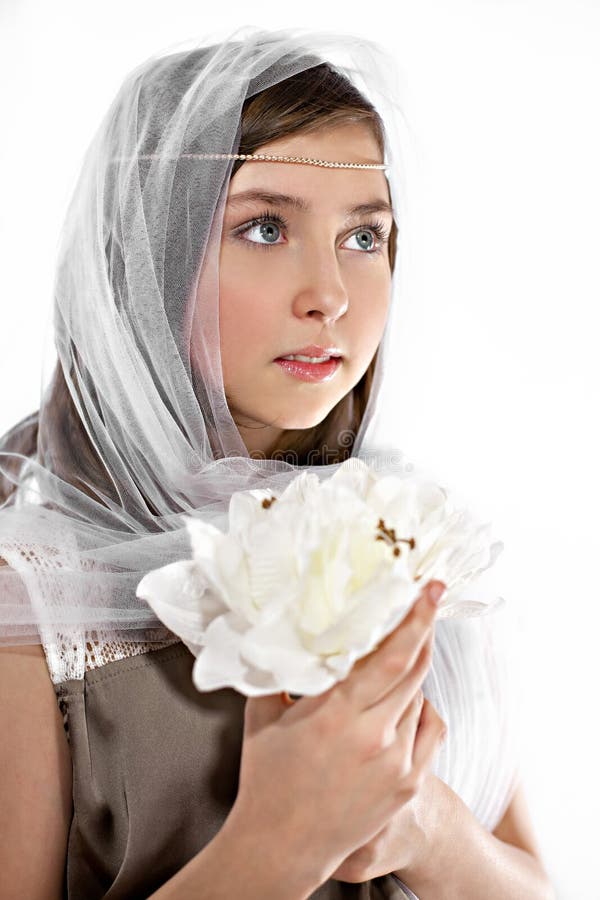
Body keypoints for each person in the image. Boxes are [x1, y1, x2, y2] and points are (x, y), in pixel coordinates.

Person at [0, 27, 553, 900]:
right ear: (146, 259)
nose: (329, 295)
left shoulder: (403, 535)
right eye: (264, 227)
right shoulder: (35, 592)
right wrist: (278, 841)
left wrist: (428, 827)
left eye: (364, 237)